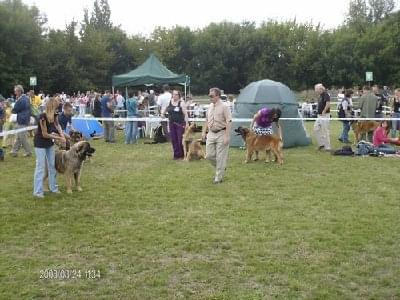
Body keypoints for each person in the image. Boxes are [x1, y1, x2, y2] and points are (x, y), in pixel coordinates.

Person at [33, 97, 66, 198]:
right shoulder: (42, 117)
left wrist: (62, 135)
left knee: (52, 165)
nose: (57, 109)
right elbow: (45, 134)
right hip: (40, 143)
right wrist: (58, 138)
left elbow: (57, 125)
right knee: (40, 167)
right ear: (51, 106)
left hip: (49, 144)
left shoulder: (55, 115)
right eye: (56, 107)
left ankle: (53, 188)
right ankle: (37, 191)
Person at [202, 87, 232, 184]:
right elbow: (207, 120)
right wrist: (203, 132)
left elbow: (229, 121)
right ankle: (222, 167)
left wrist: (227, 136)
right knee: (209, 155)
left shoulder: (224, 107)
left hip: (221, 133)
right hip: (211, 133)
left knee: (220, 157)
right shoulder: (210, 107)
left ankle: (218, 178)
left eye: (212, 96)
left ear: (218, 96)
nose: (210, 98)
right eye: (209, 96)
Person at [161, 90, 188, 159]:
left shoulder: (181, 103)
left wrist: (187, 123)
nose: (174, 96)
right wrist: (162, 114)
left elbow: (185, 114)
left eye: (176, 94)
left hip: (180, 124)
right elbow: (164, 110)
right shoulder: (169, 102)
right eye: (173, 94)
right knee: (173, 139)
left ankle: (182, 154)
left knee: (180, 139)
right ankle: (176, 155)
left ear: (179, 96)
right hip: (171, 123)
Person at [10, 85, 32, 157]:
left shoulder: (21, 99)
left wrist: (13, 108)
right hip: (25, 118)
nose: (15, 92)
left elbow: (15, 109)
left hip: (22, 119)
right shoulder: (26, 98)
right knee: (19, 136)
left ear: (19, 91)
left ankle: (28, 152)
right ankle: (14, 151)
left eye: (16, 91)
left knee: (22, 136)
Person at [313, 83, 331, 151]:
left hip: (325, 115)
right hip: (319, 116)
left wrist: (324, 111)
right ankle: (321, 144)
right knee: (316, 129)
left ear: (320, 89)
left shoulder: (326, 94)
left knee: (325, 131)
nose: (315, 91)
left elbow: (328, 103)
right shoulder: (320, 95)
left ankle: (328, 147)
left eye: (316, 89)